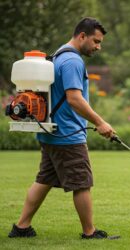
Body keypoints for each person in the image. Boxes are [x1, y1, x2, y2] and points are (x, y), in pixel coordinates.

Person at [8, 17, 120, 240]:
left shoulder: (58, 54)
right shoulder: (72, 61)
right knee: (82, 183)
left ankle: (21, 227)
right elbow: (74, 99)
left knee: (45, 179)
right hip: (67, 135)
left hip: (52, 132)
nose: (98, 47)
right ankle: (90, 232)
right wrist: (100, 122)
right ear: (82, 36)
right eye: (96, 41)